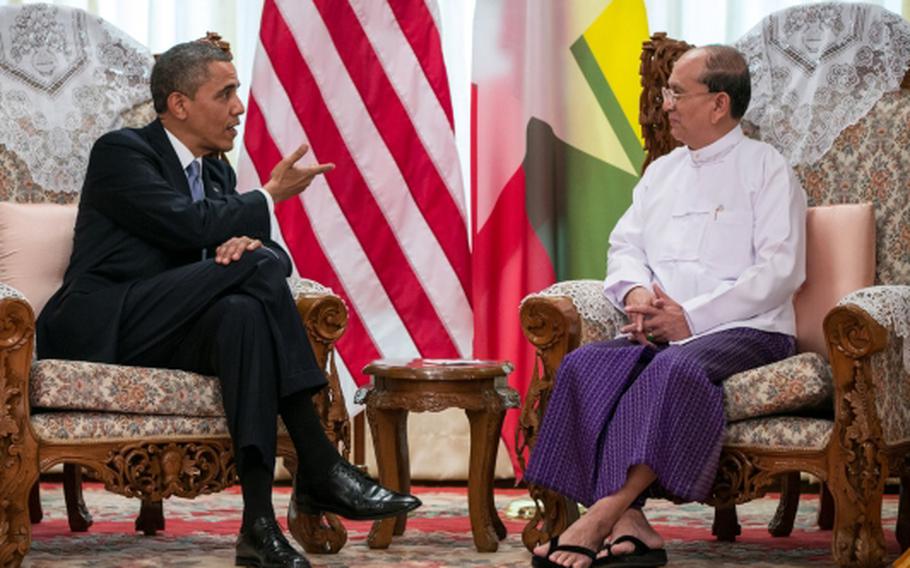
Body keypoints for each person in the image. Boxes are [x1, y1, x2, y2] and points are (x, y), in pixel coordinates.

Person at [37, 41, 420, 568]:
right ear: (180, 104)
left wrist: (251, 245)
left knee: (242, 314)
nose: (239, 107)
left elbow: (275, 264)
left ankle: (258, 527)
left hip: (175, 327)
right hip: (105, 321)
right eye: (226, 93)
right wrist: (268, 199)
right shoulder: (122, 153)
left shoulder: (215, 172)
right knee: (251, 272)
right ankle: (320, 465)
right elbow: (186, 227)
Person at [527, 45, 807, 568]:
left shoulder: (767, 169)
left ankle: (601, 517)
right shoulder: (662, 172)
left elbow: (780, 271)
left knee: (675, 369)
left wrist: (691, 318)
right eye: (667, 92)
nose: (666, 104)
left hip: (748, 328)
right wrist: (634, 293)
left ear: (719, 103)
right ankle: (637, 529)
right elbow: (625, 246)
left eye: (677, 92)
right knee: (585, 364)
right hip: (661, 326)